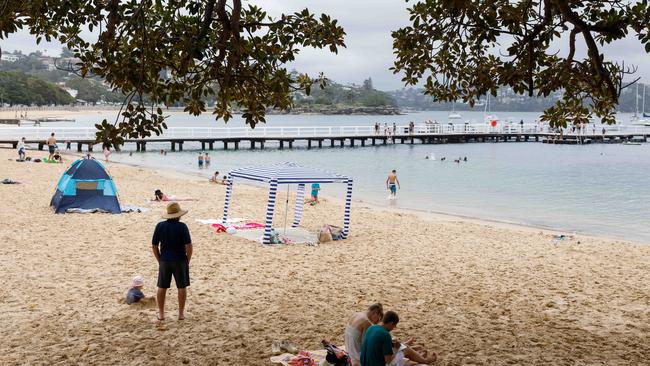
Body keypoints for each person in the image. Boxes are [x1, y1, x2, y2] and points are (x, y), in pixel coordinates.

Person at [152, 202, 193, 321]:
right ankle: (180, 314)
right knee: (181, 287)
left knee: (162, 287)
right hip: (180, 259)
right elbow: (189, 246)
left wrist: (159, 260)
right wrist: (187, 260)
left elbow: (154, 246)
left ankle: (161, 313)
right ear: (179, 215)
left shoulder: (160, 226)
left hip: (165, 260)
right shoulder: (182, 226)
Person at [360, 311, 436, 366]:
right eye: (394, 325)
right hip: (378, 364)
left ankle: (419, 357)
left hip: (364, 363)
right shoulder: (385, 335)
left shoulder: (372, 328)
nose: (394, 328)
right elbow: (388, 360)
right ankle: (425, 360)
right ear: (391, 323)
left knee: (401, 347)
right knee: (405, 349)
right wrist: (397, 349)